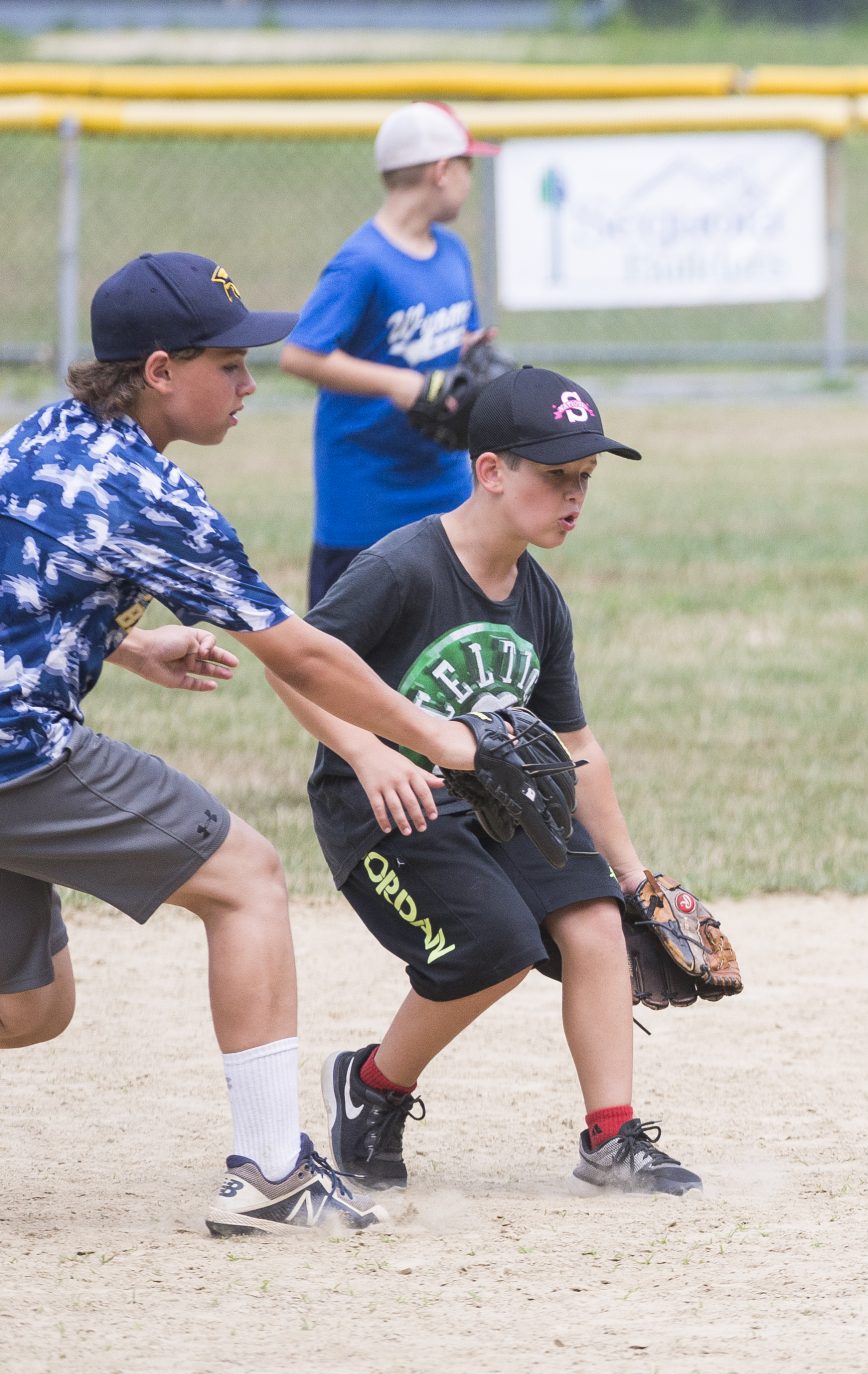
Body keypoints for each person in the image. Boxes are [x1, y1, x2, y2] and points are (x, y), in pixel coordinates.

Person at [0, 251, 483, 1234]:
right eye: (229, 363)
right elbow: (299, 654)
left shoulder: (44, 434)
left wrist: (127, 646)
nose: (251, 383)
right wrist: (439, 734)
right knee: (248, 878)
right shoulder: (147, 490)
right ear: (162, 371)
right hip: (19, 752)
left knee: (31, 1008)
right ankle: (272, 1174)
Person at [267, 367, 702, 1198]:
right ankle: (372, 1088)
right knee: (497, 945)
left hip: (502, 802)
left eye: (585, 480)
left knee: (595, 919)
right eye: (556, 476)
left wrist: (633, 870)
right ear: (492, 471)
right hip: (388, 805)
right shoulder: (404, 568)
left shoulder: (541, 601)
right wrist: (365, 750)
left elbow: (577, 747)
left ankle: (612, 1138)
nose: (575, 496)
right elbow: (292, 667)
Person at [281, 100, 496, 607]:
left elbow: (448, 343)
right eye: (468, 165)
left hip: (446, 486)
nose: (470, 177)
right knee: (346, 661)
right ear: (443, 171)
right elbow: (301, 355)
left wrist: (468, 355)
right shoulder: (362, 262)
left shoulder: (453, 252)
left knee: (445, 643)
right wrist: (399, 383)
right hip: (366, 494)